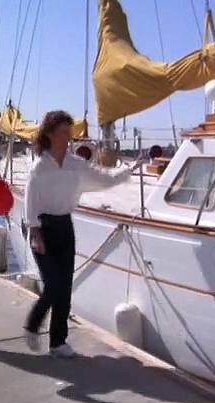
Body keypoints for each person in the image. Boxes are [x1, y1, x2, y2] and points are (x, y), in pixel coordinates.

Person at [24, 110, 142, 358]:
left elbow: (103, 178)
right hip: (42, 227)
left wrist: (128, 171)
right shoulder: (40, 167)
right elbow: (30, 201)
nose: (68, 137)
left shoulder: (75, 164)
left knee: (65, 287)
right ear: (50, 134)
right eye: (63, 132)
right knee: (52, 286)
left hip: (64, 226)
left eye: (69, 132)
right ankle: (33, 325)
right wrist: (35, 233)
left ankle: (58, 342)